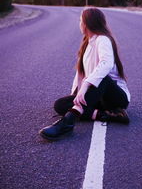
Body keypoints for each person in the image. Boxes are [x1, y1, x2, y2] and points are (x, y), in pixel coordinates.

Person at [39, 8, 131, 141]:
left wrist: (86, 86)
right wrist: (77, 94)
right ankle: (109, 115)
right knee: (60, 105)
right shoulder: (88, 42)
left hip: (116, 97)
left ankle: (68, 123)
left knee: (101, 79)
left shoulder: (103, 39)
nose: (79, 24)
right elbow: (81, 74)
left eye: (80, 21)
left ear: (87, 23)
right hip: (98, 97)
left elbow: (106, 64)